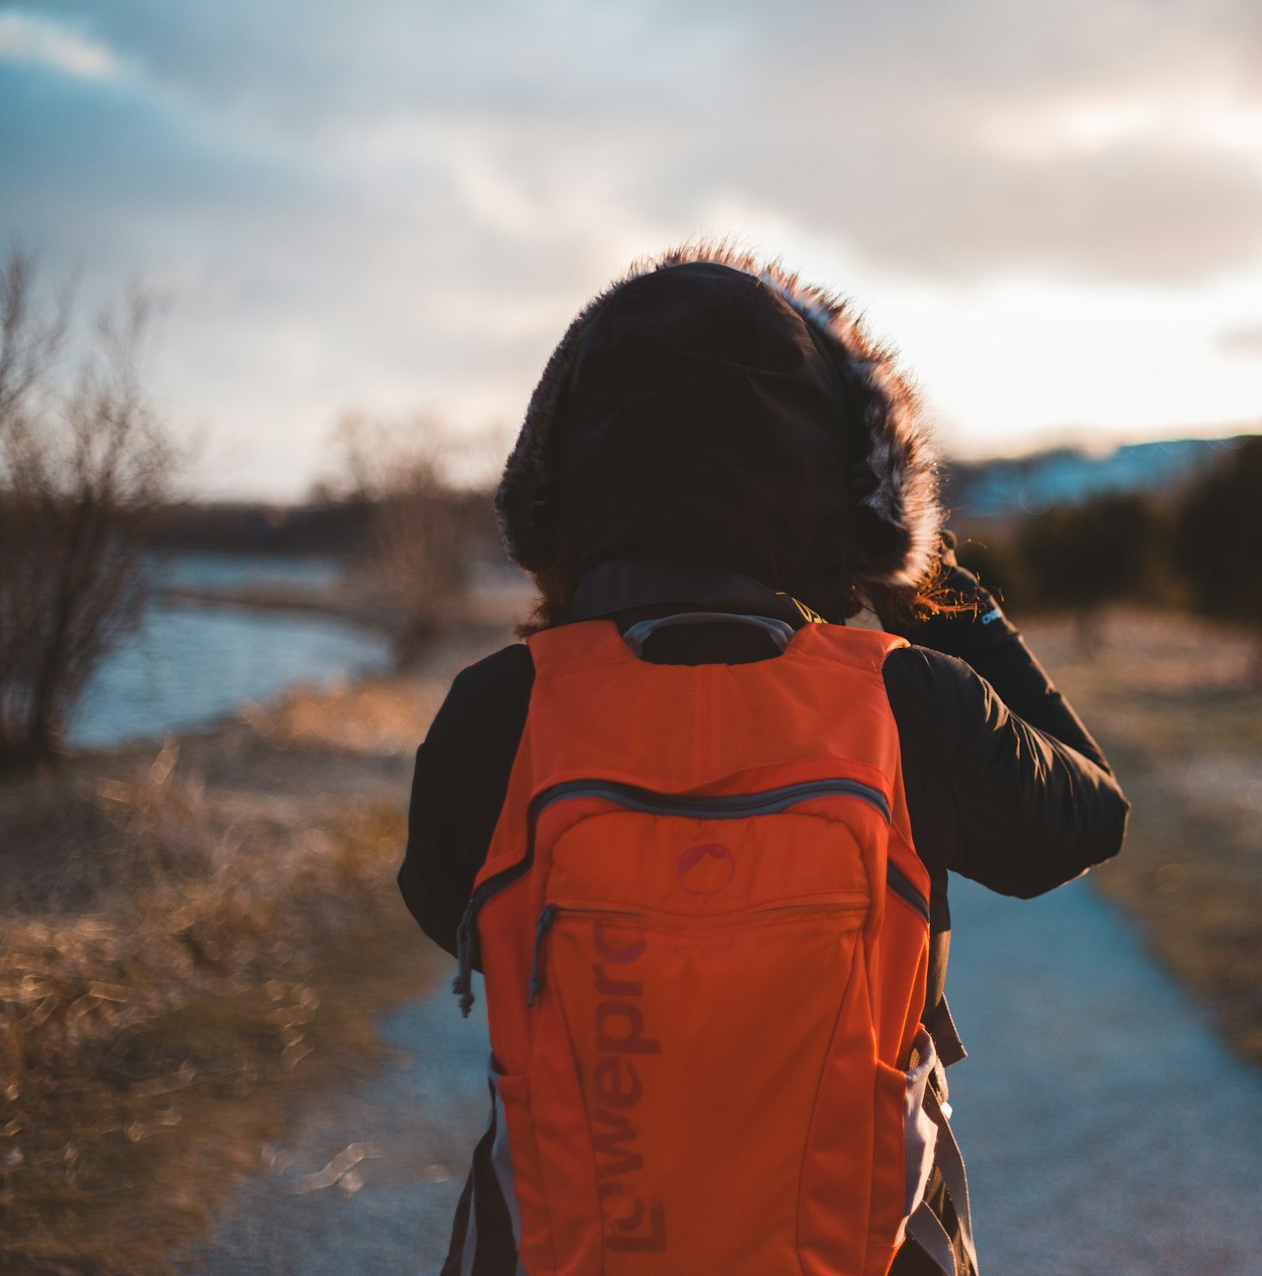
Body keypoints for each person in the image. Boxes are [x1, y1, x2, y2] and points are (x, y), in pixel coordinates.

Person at [399, 246, 1129, 1275]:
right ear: (844, 490)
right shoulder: (903, 696)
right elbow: (1088, 818)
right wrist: (927, 583)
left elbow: (446, 907)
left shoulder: (505, 706)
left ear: (557, 485)